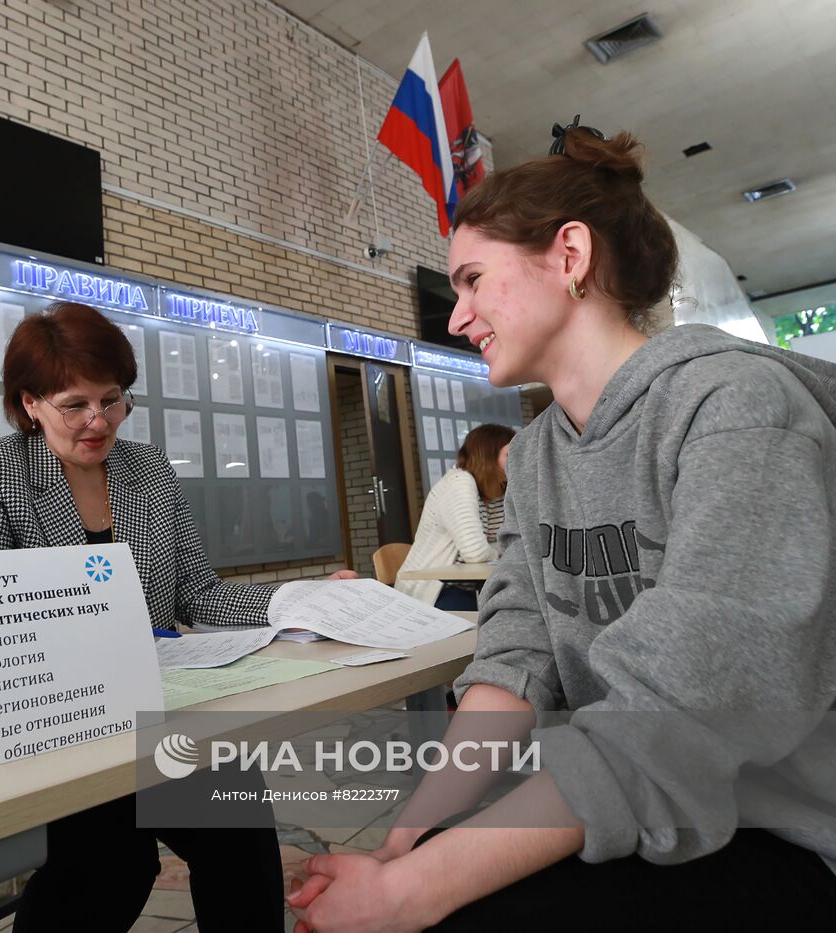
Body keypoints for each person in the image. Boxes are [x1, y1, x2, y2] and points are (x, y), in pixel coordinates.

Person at [287, 121, 836, 931]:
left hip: (775, 831)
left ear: (570, 257)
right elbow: (517, 655)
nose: (456, 317)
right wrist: (403, 845)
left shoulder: (736, 409)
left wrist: (413, 892)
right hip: (641, 806)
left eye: (473, 280)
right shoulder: (536, 455)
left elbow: (685, 713)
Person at [0, 301, 352, 931]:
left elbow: (199, 595)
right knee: (108, 863)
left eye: (113, 400)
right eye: (74, 404)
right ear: (29, 404)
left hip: (161, 710)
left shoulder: (147, 469)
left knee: (239, 830)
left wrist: (301, 598)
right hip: (62, 721)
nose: (98, 421)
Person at [394, 423, 514, 610]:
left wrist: (497, 551)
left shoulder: (501, 488)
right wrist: (498, 552)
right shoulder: (459, 482)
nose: (518, 459)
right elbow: (476, 553)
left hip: (476, 585)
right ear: (488, 456)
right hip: (437, 590)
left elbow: (514, 543)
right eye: (509, 454)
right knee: (500, 621)